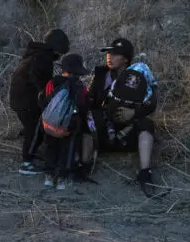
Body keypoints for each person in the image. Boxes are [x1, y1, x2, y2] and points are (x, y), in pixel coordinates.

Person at [83, 37, 159, 194]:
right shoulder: (100, 74)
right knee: (87, 120)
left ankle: (145, 172)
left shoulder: (137, 75)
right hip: (103, 126)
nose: (109, 57)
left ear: (125, 59)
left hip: (127, 129)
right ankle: (84, 165)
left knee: (146, 124)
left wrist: (134, 113)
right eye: (108, 53)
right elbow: (89, 100)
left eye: (115, 54)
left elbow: (151, 102)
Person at [8, 28, 70, 175]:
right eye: (60, 52)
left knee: (33, 126)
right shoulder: (43, 58)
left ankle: (32, 152)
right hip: (26, 100)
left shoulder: (35, 54)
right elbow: (39, 81)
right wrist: (46, 97)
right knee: (35, 129)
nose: (60, 56)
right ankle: (27, 163)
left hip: (18, 98)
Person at [38, 53, 90, 190]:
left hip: (49, 125)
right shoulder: (80, 87)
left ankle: (48, 177)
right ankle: (62, 178)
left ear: (63, 69)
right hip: (68, 128)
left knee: (50, 148)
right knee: (67, 150)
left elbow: (44, 101)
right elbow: (83, 107)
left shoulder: (52, 82)